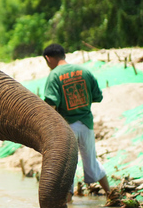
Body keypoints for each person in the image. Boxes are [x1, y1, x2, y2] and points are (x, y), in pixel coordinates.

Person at [42, 43, 112, 196]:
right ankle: (110, 194)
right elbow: (98, 96)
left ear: (48, 58)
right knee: (91, 161)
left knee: (68, 166)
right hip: (86, 124)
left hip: (67, 127)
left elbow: (51, 104)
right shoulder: (84, 71)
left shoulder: (54, 75)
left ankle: (67, 202)